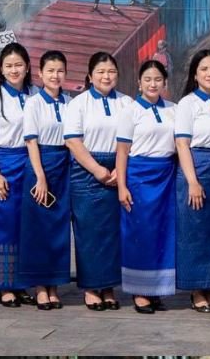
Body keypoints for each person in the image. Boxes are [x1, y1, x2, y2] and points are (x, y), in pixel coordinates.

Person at [64, 51, 130, 311]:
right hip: (87, 171)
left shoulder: (126, 102)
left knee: (113, 233)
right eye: (101, 72)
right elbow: (73, 141)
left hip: (119, 169)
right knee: (89, 232)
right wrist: (97, 170)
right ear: (90, 76)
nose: (106, 76)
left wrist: (119, 171)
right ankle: (92, 287)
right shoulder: (78, 104)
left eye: (111, 71)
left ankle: (109, 286)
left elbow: (132, 139)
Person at [0, 43, 36, 307]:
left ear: (27, 67)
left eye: (18, 65)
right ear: (0, 69)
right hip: (3, 163)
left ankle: (22, 284)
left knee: (26, 226)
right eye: (8, 66)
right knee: (3, 224)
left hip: (30, 164)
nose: (14, 70)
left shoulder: (35, 94)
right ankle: (4, 286)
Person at [174, 50, 210, 313]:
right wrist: (192, 181)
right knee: (194, 230)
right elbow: (182, 144)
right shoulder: (188, 103)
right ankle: (196, 289)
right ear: (195, 75)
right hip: (197, 169)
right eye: (204, 69)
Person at [116, 59, 176, 314]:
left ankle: (157, 289)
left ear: (165, 83)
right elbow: (122, 151)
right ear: (139, 83)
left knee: (163, 234)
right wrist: (122, 186)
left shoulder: (173, 109)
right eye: (148, 79)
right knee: (140, 233)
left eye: (158, 79)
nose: (153, 84)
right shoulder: (130, 111)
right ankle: (139, 292)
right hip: (139, 177)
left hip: (166, 177)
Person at [19, 50, 72, 310]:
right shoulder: (33, 103)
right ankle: (40, 286)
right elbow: (31, 141)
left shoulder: (70, 102)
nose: (55, 75)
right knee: (38, 229)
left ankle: (55, 285)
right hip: (41, 165)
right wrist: (40, 177)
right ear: (40, 73)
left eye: (60, 70)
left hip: (64, 166)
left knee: (58, 229)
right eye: (50, 70)